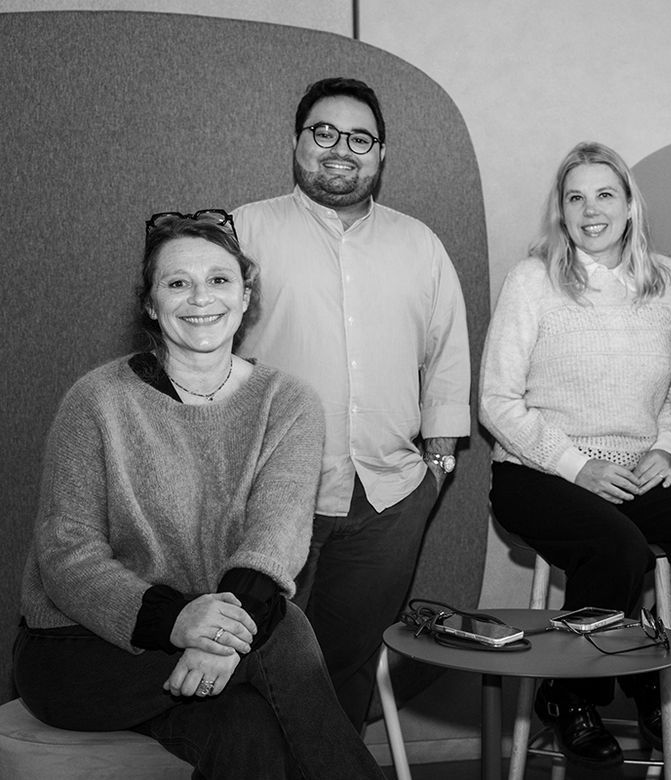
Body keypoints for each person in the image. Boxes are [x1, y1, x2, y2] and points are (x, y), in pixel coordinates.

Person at [13, 211, 383, 778]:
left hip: (220, 639)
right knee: (282, 629)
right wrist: (176, 621)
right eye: (177, 283)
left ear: (245, 296)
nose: (200, 298)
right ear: (150, 303)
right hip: (79, 651)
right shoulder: (96, 400)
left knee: (248, 730)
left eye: (219, 279)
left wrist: (213, 636)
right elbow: (67, 556)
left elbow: (276, 537)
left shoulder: (287, 403)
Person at [482, 141, 671, 769]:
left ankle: (662, 679)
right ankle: (570, 695)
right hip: (537, 472)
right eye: (575, 197)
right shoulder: (533, 280)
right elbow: (495, 401)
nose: (591, 210)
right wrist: (579, 467)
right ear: (561, 211)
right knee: (618, 547)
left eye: (605, 194)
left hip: (632, 473)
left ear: (631, 205)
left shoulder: (669, 280)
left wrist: (664, 447)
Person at [233, 77, 471, 730]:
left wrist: (438, 465)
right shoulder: (242, 232)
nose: (342, 148)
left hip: (389, 497)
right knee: (256, 662)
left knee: (348, 665)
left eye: (360, 138)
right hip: (273, 493)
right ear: (297, 142)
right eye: (325, 132)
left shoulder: (420, 245)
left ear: (381, 154)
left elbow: (448, 354)